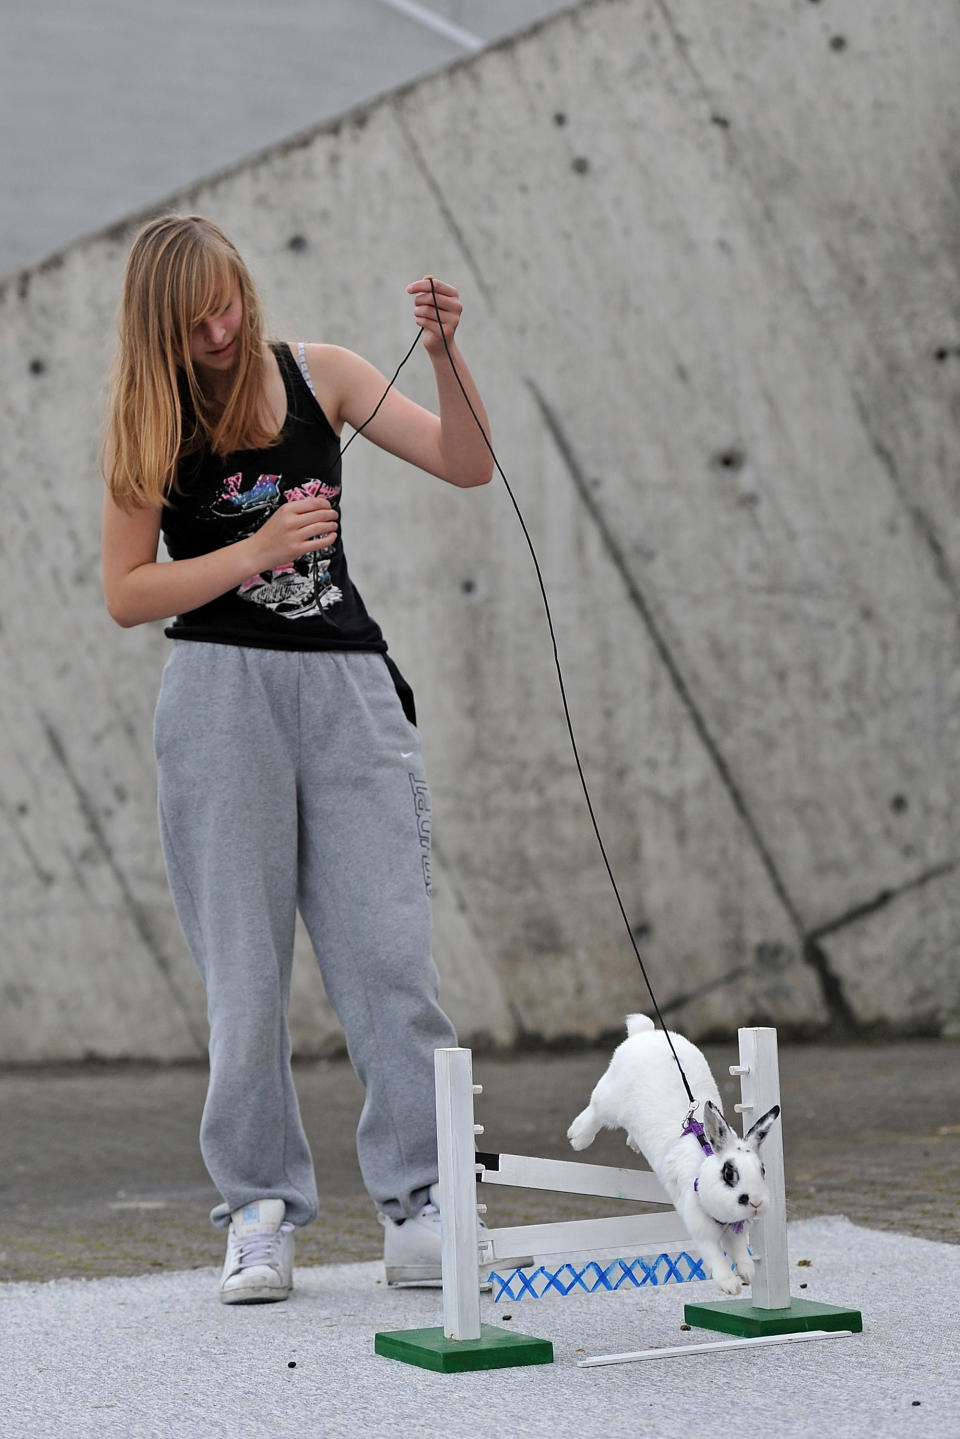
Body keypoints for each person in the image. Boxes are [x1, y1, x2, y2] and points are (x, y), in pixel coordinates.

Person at [101, 213, 493, 1304]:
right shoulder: (148, 419)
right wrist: (253, 552)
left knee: (389, 953)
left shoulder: (324, 375)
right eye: (191, 323)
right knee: (244, 969)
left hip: (348, 689)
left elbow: (467, 463)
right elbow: (127, 591)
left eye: (227, 303)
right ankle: (261, 1208)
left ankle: (421, 1202)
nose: (219, 331)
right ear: (158, 331)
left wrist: (450, 351)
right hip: (218, 693)